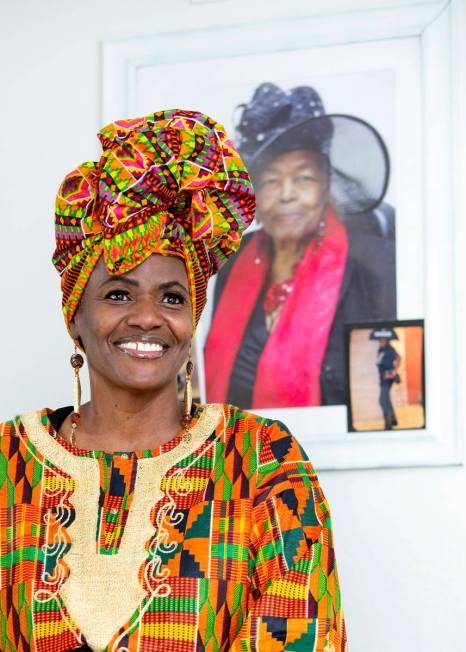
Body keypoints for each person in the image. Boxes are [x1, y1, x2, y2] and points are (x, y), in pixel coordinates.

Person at [0, 110, 347, 651]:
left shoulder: (261, 462)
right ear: (75, 318)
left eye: (172, 298)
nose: (146, 317)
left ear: (191, 322)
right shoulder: (8, 465)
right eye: (118, 294)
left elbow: (305, 637)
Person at [205, 82, 396, 409]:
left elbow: (383, 399)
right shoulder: (233, 260)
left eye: (303, 178)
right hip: (238, 454)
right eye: (271, 180)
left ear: (325, 185)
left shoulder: (371, 265)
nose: (287, 194)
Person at [371, 328, 401, 430]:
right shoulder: (381, 350)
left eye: (383, 339)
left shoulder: (389, 349)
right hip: (383, 377)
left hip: (387, 378)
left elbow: (398, 358)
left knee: (382, 401)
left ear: (387, 340)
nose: (381, 341)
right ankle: (393, 420)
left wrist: (395, 371)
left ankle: (388, 424)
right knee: (386, 400)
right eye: (380, 339)